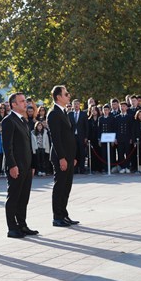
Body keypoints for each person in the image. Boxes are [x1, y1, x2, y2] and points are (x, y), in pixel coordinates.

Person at [1, 92, 39, 238]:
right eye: (22, 101)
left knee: (24, 197)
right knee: (14, 197)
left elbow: (29, 145)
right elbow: (7, 146)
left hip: (26, 165)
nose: (26, 104)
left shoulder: (24, 121)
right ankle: (12, 227)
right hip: (16, 166)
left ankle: (22, 225)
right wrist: (12, 165)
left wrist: (33, 164)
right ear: (13, 105)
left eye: (25, 101)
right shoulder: (8, 121)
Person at [47, 85, 78, 227]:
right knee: (60, 186)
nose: (69, 95)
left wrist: (73, 156)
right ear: (58, 97)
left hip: (69, 155)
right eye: (66, 94)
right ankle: (57, 217)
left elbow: (69, 135)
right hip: (61, 156)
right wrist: (62, 158)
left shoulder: (64, 112)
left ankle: (64, 214)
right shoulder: (53, 113)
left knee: (67, 186)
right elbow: (56, 138)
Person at [68, 99, 89, 174]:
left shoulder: (83, 114)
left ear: (80, 105)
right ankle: (75, 169)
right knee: (74, 153)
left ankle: (82, 168)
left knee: (82, 153)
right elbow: (68, 126)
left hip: (81, 137)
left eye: (77, 104)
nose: (76, 105)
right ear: (72, 105)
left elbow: (86, 126)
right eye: (75, 104)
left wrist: (86, 137)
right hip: (73, 137)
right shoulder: (69, 114)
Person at [114, 101, 133, 174]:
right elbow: (115, 128)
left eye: (124, 106)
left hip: (127, 138)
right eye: (121, 106)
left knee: (128, 153)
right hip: (119, 138)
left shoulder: (130, 117)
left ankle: (127, 167)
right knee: (120, 153)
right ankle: (122, 167)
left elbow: (131, 128)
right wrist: (115, 138)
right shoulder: (117, 117)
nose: (123, 108)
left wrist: (131, 138)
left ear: (127, 107)